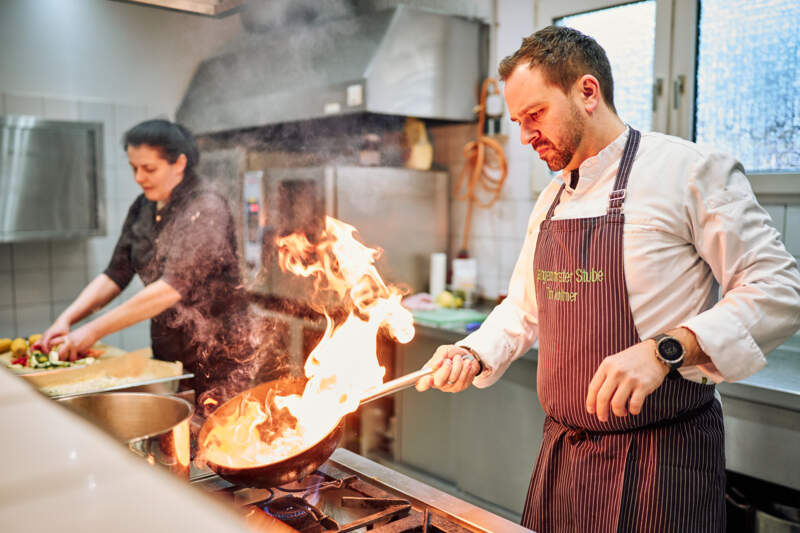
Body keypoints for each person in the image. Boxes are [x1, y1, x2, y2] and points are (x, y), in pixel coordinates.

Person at [416, 26, 800, 532]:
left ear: (587, 92)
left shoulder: (688, 171)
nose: (526, 134)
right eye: (518, 121)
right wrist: (473, 352)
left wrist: (666, 349)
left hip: (661, 464)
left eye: (535, 115)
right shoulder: (552, 199)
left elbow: (778, 288)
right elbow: (523, 308)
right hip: (564, 457)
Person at [40, 119, 267, 415]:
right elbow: (115, 273)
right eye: (134, 168)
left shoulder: (205, 206)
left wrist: (91, 331)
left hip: (218, 360)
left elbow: (170, 289)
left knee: (215, 443)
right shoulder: (143, 206)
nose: (139, 177)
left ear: (179, 163)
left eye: (149, 169)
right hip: (168, 355)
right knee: (173, 441)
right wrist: (67, 319)